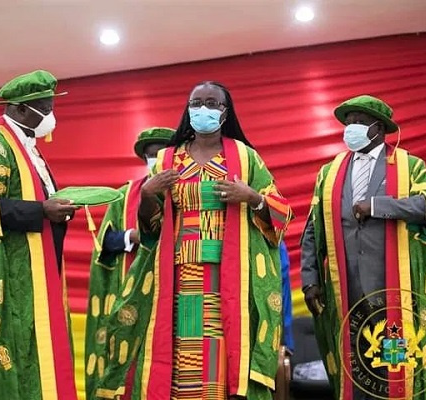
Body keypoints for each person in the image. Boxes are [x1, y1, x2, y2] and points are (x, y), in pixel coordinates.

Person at [94, 81, 293, 400]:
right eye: (196, 103)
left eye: (212, 104)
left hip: (228, 278)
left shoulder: (244, 157)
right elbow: (151, 229)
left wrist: (252, 196)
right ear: (187, 110)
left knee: (220, 356)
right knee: (181, 356)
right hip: (179, 277)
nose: (204, 109)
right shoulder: (167, 159)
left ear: (225, 112)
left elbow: (281, 212)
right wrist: (147, 194)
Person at [300, 95, 426, 400]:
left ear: (378, 128)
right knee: (354, 365)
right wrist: (310, 280)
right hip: (345, 289)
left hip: (392, 289)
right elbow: (312, 229)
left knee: (391, 364)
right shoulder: (330, 172)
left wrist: (377, 206)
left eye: (358, 122)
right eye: (348, 122)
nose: (350, 128)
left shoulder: (409, 166)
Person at [0, 70, 79, 400]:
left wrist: (60, 208)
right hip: (10, 274)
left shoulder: (31, 149)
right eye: (46, 108)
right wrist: (42, 211)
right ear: (21, 109)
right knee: (17, 349)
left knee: (39, 353)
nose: (51, 116)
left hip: (39, 268)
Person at [84, 127, 174, 400]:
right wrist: (131, 236)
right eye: (150, 154)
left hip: (171, 291)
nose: (155, 158)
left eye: (161, 153)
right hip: (130, 292)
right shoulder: (124, 195)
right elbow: (105, 243)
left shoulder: (187, 192)